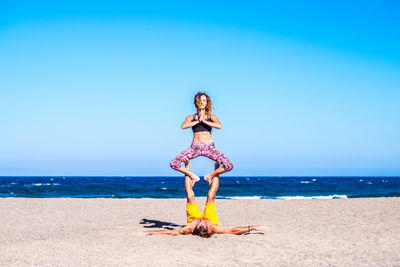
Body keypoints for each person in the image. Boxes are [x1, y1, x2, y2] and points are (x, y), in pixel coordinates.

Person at [142, 160, 262, 237]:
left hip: (192, 218)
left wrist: (149, 232)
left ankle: (187, 170)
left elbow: (171, 232)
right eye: (204, 225)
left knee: (190, 196)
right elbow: (233, 231)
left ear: (197, 228)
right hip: (211, 218)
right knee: (211, 196)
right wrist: (252, 228)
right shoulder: (213, 227)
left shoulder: (189, 228)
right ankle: (216, 170)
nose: (202, 223)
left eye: (201, 225)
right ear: (208, 229)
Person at [169, 92, 233, 185]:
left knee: (229, 166)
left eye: (204, 100)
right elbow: (183, 126)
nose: (202, 102)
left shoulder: (212, 116)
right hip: (195, 147)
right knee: (173, 163)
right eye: (200, 100)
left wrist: (204, 121)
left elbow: (219, 126)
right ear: (196, 102)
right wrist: (198, 121)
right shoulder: (191, 117)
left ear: (207, 102)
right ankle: (193, 176)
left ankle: (210, 176)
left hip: (209, 148)